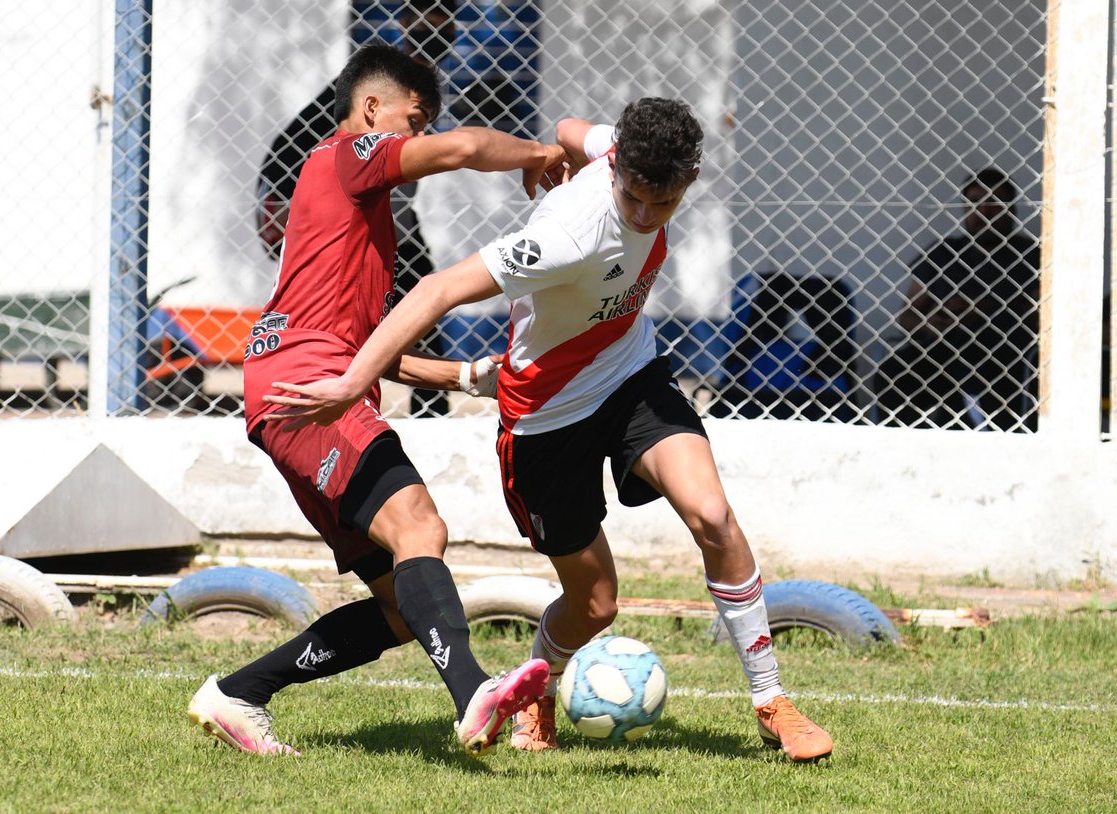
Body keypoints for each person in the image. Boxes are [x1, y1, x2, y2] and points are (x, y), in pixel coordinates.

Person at [260, 97, 835, 762]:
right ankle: (538, 689)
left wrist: (556, 152)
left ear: (688, 180)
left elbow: (569, 130)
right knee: (595, 605)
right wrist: (354, 382)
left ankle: (771, 700)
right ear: (618, 169)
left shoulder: (617, 150)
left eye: (665, 204)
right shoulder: (570, 234)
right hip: (545, 420)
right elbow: (438, 290)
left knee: (712, 514)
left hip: (630, 375)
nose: (646, 216)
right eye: (636, 200)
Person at [187, 42, 568, 758]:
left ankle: (239, 694)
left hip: (299, 387)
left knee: (399, 608)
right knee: (420, 526)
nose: (419, 138)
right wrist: (535, 155)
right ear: (371, 111)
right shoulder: (349, 156)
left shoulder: (354, 206)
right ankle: (474, 697)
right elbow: (461, 149)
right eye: (413, 120)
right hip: (308, 391)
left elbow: (366, 347)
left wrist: (462, 378)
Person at [256, 0, 456, 416]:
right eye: (420, 19)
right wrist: (276, 203)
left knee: (419, 300)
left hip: (393, 214)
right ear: (404, 23)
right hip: (339, 215)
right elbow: (287, 150)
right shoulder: (379, 87)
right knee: (407, 299)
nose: (431, 30)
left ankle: (429, 407)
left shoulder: (426, 85)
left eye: (440, 20)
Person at [877, 167, 1040, 431]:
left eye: (994, 202)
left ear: (1012, 209)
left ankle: (976, 428)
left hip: (1002, 351)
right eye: (974, 202)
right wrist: (929, 323)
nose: (984, 211)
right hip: (941, 347)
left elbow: (1041, 316)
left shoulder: (1030, 255)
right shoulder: (944, 253)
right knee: (893, 371)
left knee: (980, 357)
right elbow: (908, 314)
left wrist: (987, 309)